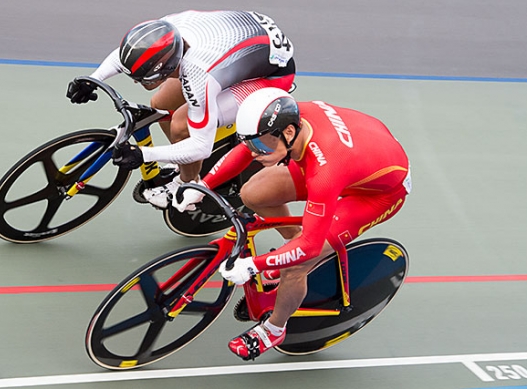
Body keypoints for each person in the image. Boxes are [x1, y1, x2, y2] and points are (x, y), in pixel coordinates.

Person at [174, 88, 412, 360]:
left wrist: (254, 265)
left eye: (261, 146)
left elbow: (309, 247)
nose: (255, 153)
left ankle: (274, 329)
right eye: (252, 144)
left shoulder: (325, 172)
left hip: (377, 194)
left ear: (288, 133)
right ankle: (293, 241)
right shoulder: (284, 117)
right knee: (253, 194)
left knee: (296, 264)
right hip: (355, 154)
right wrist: (201, 185)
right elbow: (246, 148)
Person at [66, 10, 296, 209]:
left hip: (271, 75)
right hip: (247, 43)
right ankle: (181, 161)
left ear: (169, 69)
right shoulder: (166, 31)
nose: (138, 83)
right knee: (160, 105)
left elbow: (200, 147)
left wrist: (143, 155)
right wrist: (91, 79)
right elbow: (129, 53)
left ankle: (187, 182)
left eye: (145, 80)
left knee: (181, 126)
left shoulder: (198, 73)